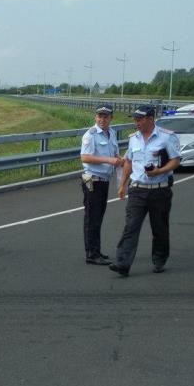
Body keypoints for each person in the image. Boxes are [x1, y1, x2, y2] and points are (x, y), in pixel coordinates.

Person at [110, 105, 181, 277]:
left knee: (159, 228)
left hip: (160, 190)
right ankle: (122, 263)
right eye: (135, 120)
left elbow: (176, 160)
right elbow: (128, 161)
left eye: (139, 119)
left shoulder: (166, 137)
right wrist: (122, 185)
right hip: (137, 190)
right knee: (130, 227)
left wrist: (159, 171)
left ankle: (159, 259)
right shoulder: (134, 138)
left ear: (150, 119)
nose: (136, 123)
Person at [79, 104, 122, 265]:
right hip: (91, 178)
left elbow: (114, 153)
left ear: (111, 118)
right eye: (99, 116)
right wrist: (108, 160)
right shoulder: (90, 135)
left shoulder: (112, 133)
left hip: (104, 179)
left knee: (98, 217)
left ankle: (96, 250)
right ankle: (91, 254)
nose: (102, 119)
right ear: (95, 117)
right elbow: (85, 157)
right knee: (92, 217)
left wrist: (119, 159)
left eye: (105, 116)